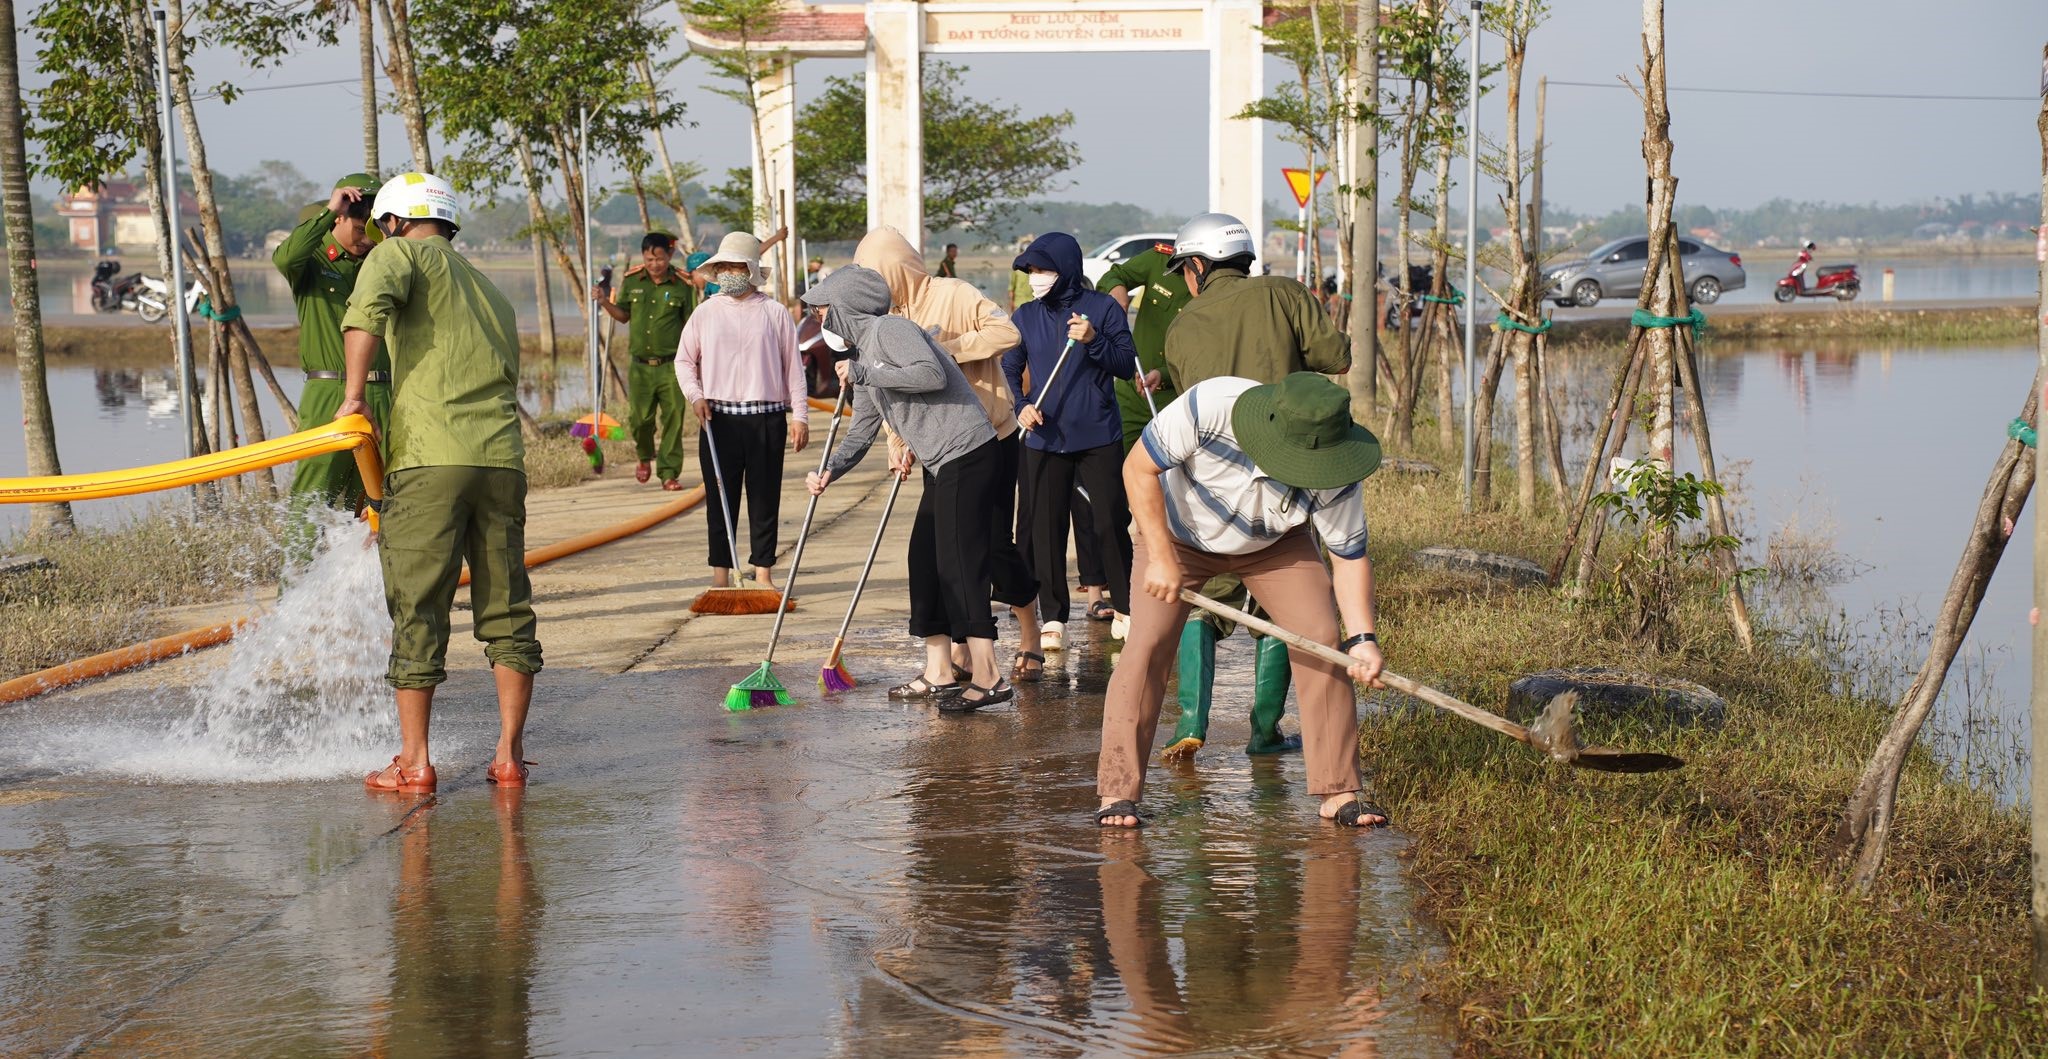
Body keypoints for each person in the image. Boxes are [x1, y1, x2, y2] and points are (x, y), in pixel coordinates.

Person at [1096, 373, 1387, 829]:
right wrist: (1160, 556)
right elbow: (1137, 468)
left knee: (1323, 638)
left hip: (1275, 545)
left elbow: (1348, 558)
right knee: (1147, 644)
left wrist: (1363, 638)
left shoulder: (1337, 467)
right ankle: (1117, 792)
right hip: (1177, 536)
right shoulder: (1209, 407)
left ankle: (1339, 791)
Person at [338, 171, 542, 794]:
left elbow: (364, 317)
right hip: (501, 461)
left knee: (418, 604)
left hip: (431, 457)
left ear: (394, 221)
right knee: (507, 607)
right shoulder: (490, 290)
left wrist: (353, 398)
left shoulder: (395, 253)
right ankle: (509, 756)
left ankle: (414, 762)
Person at [1158, 211, 1356, 759]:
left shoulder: (1182, 323)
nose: (1185, 282)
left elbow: (1184, 401)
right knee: (1277, 608)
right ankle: (1264, 732)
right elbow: (1336, 357)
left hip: (1207, 481)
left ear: (1198, 265)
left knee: (1204, 601)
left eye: (1184, 271)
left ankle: (1189, 721)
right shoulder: (1284, 294)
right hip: (1284, 471)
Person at [802, 265, 1012, 710]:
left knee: (960, 563)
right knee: (924, 560)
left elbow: (929, 375)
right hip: (941, 462)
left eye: (823, 307)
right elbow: (861, 431)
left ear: (847, 308)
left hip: (968, 453)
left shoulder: (891, 330)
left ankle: (989, 674)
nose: (820, 316)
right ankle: (939, 671)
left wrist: (866, 372)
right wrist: (830, 470)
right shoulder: (862, 353)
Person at [854, 227, 1044, 682]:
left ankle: (1029, 626)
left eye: (879, 274)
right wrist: (896, 445)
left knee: (991, 546)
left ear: (898, 268)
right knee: (942, 551)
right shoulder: (888, 317)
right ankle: (955, 653)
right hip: (938, 449)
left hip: (990, 440)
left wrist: (946, 350)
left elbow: (1007, 332)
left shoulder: (954, 293)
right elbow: (889, 386)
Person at [1002, 232, 1146, 650]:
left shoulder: (1101, 308)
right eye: (1030, 271)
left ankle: (1125, 607)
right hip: (1043, 438)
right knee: (1047, 530)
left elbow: (1124, 363)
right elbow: (1010, 368)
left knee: (1109, 521)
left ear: (1065, 268)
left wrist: (1093, 340)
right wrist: (1022, 404)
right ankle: (1054, 617)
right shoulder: (1025, 316)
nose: (1035, 278)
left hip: (1098, 434)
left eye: (1042, 269)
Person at [676, 231, 809, 591]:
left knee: (765, 498)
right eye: (724, 266)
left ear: (751, 270)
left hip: (766, 418)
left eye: (737, 266)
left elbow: (793, 369)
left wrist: (800, 415)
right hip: (718, 419)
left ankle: (763, 572)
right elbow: (685, 361)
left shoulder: (775, 313)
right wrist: (695, 395)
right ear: (716, 271)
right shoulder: (705, 314)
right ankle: (721, 575)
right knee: (721, 499)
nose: (730, 272)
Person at [277, 173, 389, 512]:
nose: (365, 240)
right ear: (340, 217)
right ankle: (298, 566)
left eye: (372, 231)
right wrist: (331, 209)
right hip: (329, 392)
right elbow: (285, 258)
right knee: (313, 497)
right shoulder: (313, 264)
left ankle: (369, 566)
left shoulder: (382, 265)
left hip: (384, 393)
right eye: (359, 228)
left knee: (377, 499)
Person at [594, 232, 694, 490]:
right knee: (640, 420)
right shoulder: (632, 281)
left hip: (672, 366)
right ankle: (644, 455)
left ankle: (669, 472)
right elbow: (623, 315)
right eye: (649, 259)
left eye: (659, 259)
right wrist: (605, 302)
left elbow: (691, 326)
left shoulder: (682, 285)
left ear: (669, 256)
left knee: (673, 418)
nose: (654, 265)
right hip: (640, 367)